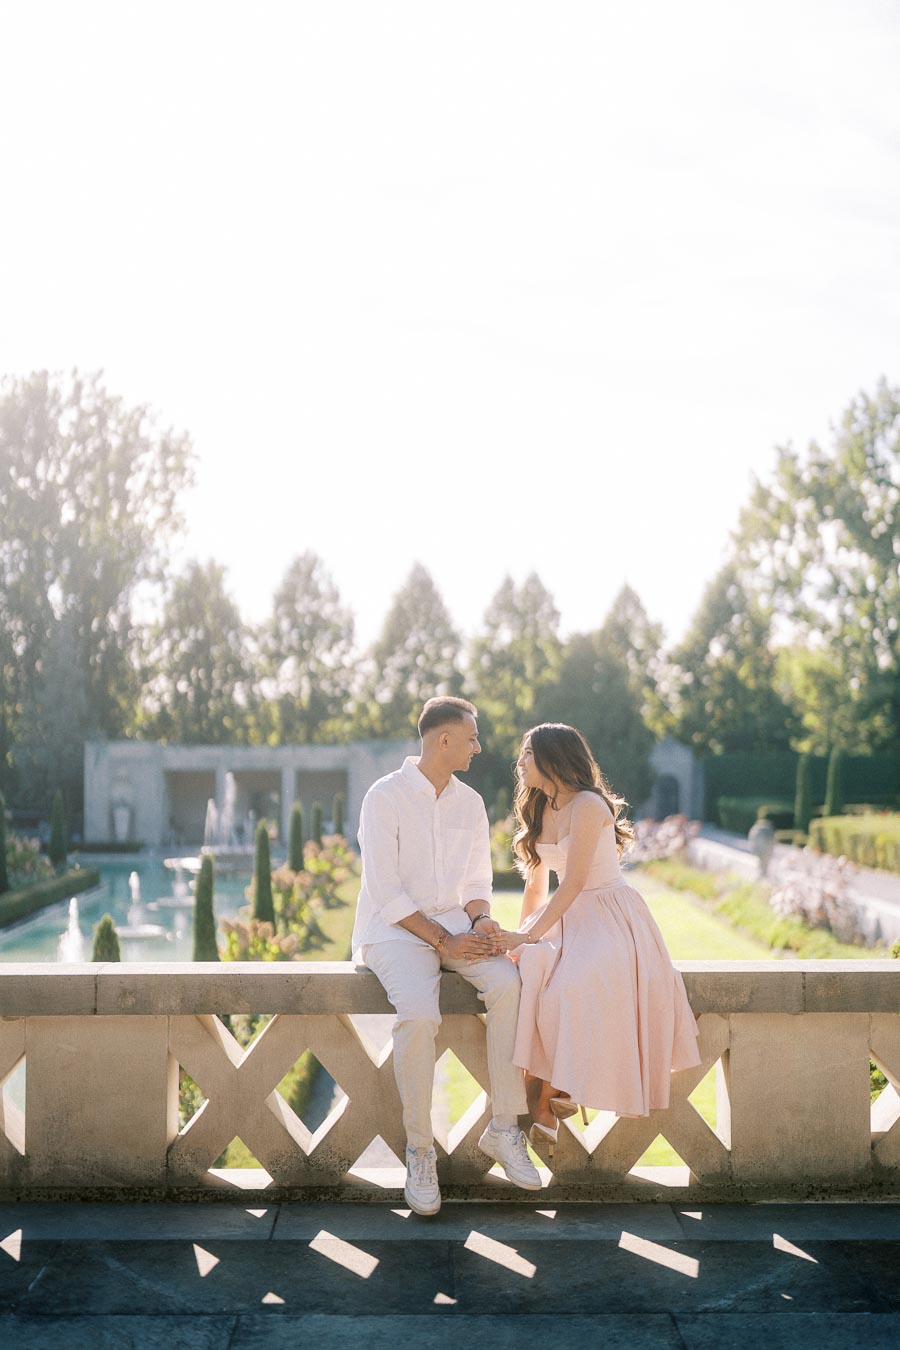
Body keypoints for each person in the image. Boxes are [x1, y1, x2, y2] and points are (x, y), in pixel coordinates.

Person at [353, 696, 540, 1214]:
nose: (479, 747)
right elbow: (386, 892)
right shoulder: (383, 797)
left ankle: (504, 1128)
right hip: (393, 932)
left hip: (457, 926)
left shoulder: (471, 802)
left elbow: (478, 881)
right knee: (417, 1013)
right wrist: (442, 941)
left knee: (507, 982)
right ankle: (420, 1151)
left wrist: (481, 922)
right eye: (473, 737)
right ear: (444, 741)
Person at [498, 723, 700, 1152]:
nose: (519, 763)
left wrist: (527, 935)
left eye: (527, 754)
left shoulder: (589, 805)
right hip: (562, 918)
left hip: (607, 915)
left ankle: (551, 1095)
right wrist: (521, 940)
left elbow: (571, 884)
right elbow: (536, 888)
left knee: (573, 985)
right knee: (530, 974)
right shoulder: (537, 806)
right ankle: (548, 1088)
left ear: (553, 758)